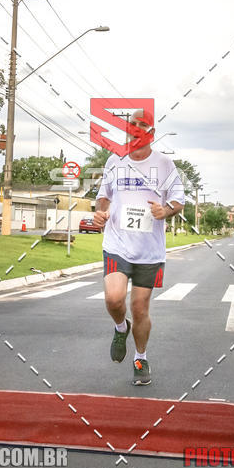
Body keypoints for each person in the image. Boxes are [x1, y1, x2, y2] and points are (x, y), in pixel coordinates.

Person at [93, 109, 185, 385]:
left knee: (140, 308)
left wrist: (165, 210)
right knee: (114, 299)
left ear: (151, 133)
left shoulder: (165, 164)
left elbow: (178, 200)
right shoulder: (114, 161)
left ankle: (140, 358)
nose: (134, 128)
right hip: (117, 244)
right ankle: (120, 327)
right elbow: (103, 197)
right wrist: (100, 213)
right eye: (131, 123)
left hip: (150, 250)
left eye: (141, 125)